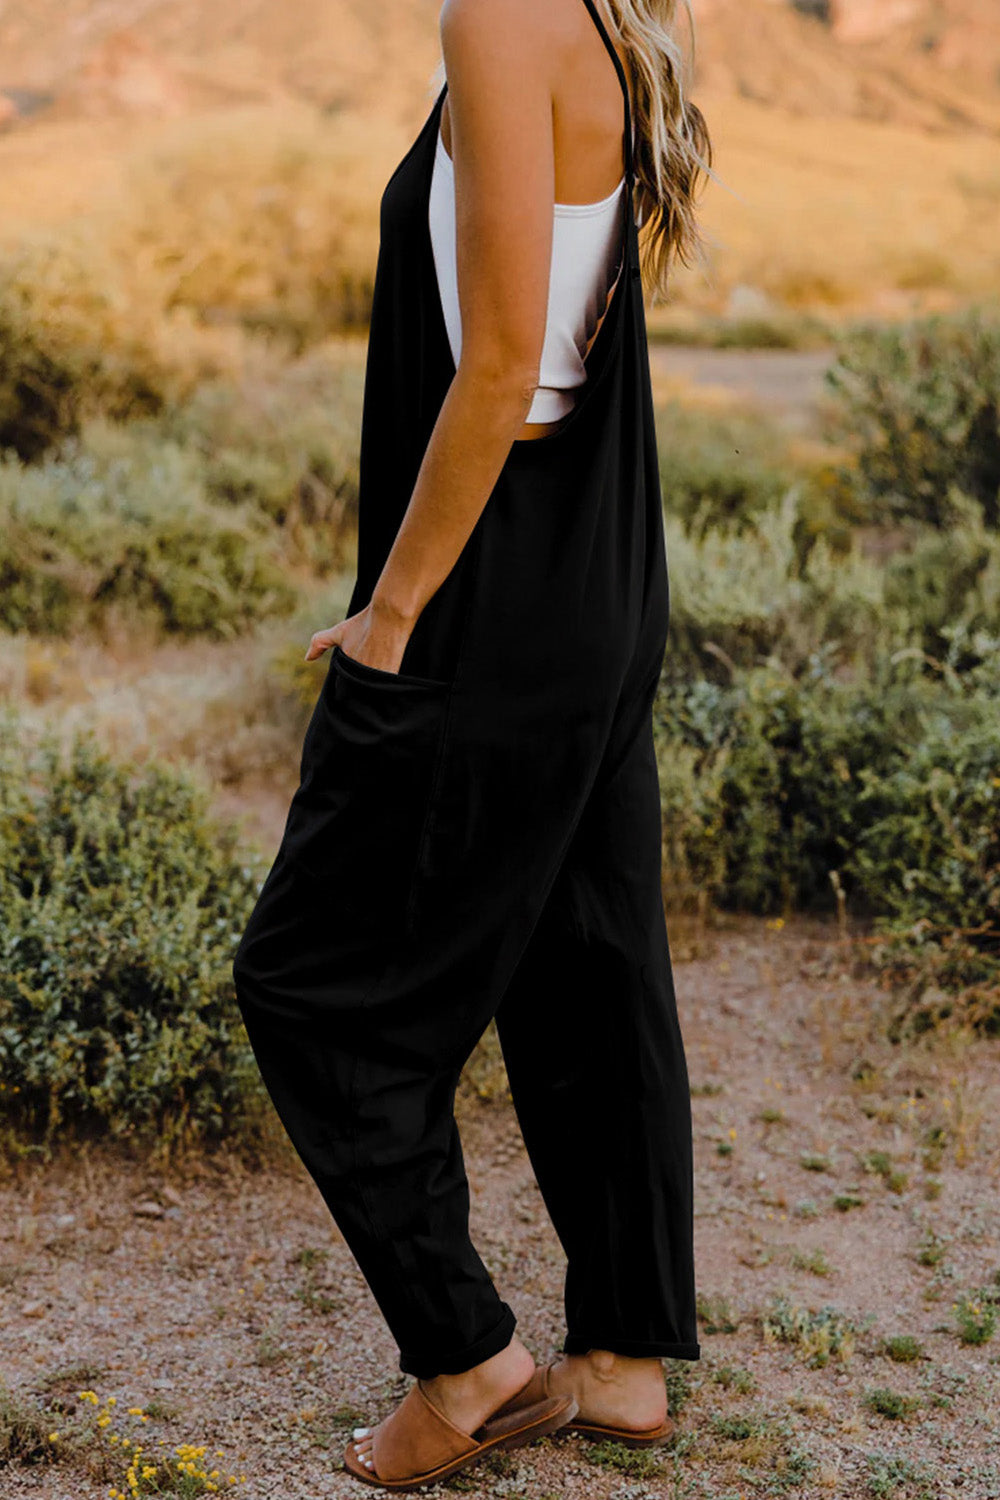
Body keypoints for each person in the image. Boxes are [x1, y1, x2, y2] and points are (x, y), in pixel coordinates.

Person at [232, 0, 712, 1488]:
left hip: (497, 598)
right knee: (591, 960)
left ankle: (469, 1363)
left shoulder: (500, 14)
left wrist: (389, 614)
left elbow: (504, 364)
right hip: (600, 571)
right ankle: (624, 1364)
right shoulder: (614, 11)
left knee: (306, 983)